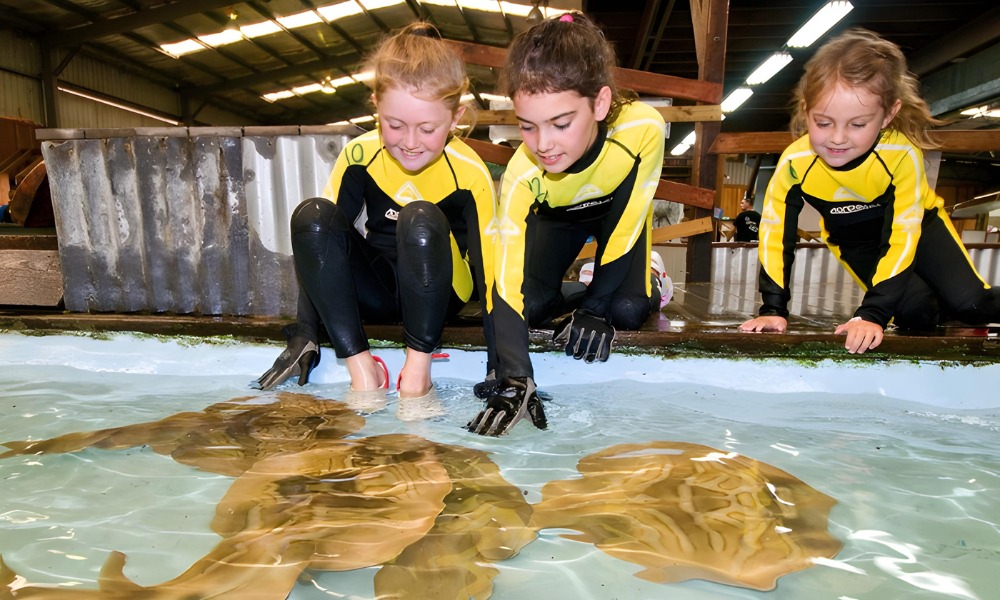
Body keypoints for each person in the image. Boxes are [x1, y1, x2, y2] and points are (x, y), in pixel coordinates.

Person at [256, 22, 497, 404]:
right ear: (376, 108)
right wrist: (306, 331)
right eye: (395, 125)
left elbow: (489, 273)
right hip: (381, 289)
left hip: (442, 292)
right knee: (312, 214)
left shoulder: (470, 172)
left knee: (418, 216)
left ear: (455, 118)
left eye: (428, 128)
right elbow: (322, 242)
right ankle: (364, 372)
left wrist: (501, 364)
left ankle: (417, 377)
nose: (411, 143)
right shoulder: (360, 154)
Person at [739, 28, 1000, 354]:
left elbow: (903, 235)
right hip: (855, 240)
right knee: (914, 313)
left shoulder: (900, 155)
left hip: (920, 229)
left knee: (972, 304)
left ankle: (956, 301)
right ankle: (937, 302)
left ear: (888, 114)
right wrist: (773, 310)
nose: (837, 138)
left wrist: (871, 314)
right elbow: (776, 234)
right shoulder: (795, 163)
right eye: (823, 122)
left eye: (857, 124)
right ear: (806, 111)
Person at [467, 12, 666, 436]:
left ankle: (650, 277)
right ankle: (587, 284)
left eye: (560, 124)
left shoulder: (644, 129)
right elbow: (504, 282)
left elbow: (629, 221)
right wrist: (515, 374)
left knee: (625, 311)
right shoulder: (523, 172)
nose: (543, 145)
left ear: (600, 103)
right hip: (557, 219)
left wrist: (596, 309)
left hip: (617, 217)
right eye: (527, 127)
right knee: (532, 307)